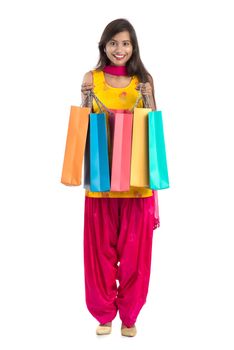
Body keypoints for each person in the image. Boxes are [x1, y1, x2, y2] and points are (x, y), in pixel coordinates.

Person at [81, 18, 160, 337]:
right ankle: (103, 314)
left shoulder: (144, 79)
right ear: (104, 46)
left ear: (134, 47)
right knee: (99, 251)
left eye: (125, 43)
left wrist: (149, 95)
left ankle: (130, 315)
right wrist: (85, 97)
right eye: (113, 43)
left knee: (135, 255)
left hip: (136, 183)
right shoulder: (92, 77)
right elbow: (84, 124)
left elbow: (153, 127)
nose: (119, 49)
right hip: (101, 183)